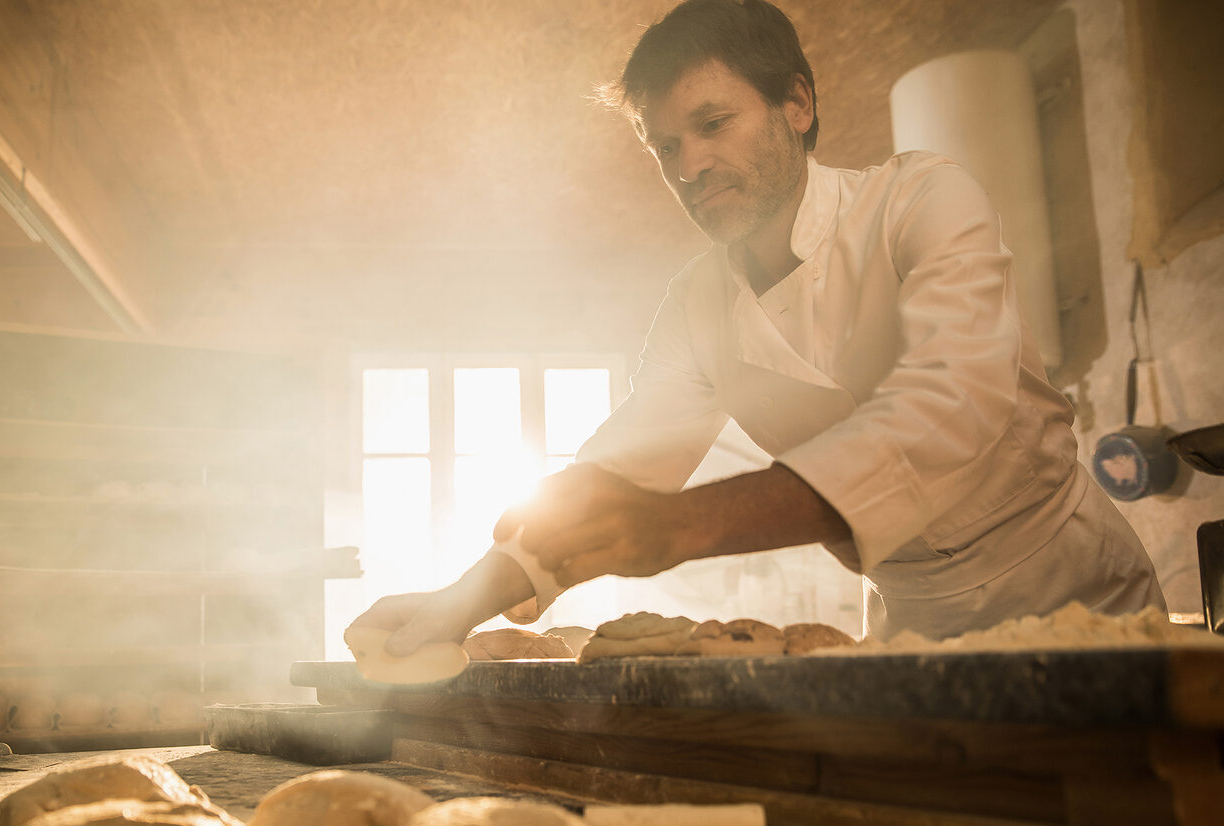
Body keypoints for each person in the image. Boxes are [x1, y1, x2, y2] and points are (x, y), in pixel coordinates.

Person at [351, 0, 1165, 653]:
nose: (688, 167)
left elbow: (950, 409)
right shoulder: (694, 307)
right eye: (665, 146)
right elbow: (614, 479)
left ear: (797, 103)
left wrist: (682, 526)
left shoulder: (920, 200)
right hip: (914, 637)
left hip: (1083, 601)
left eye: (712, 124)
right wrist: (457, 602)